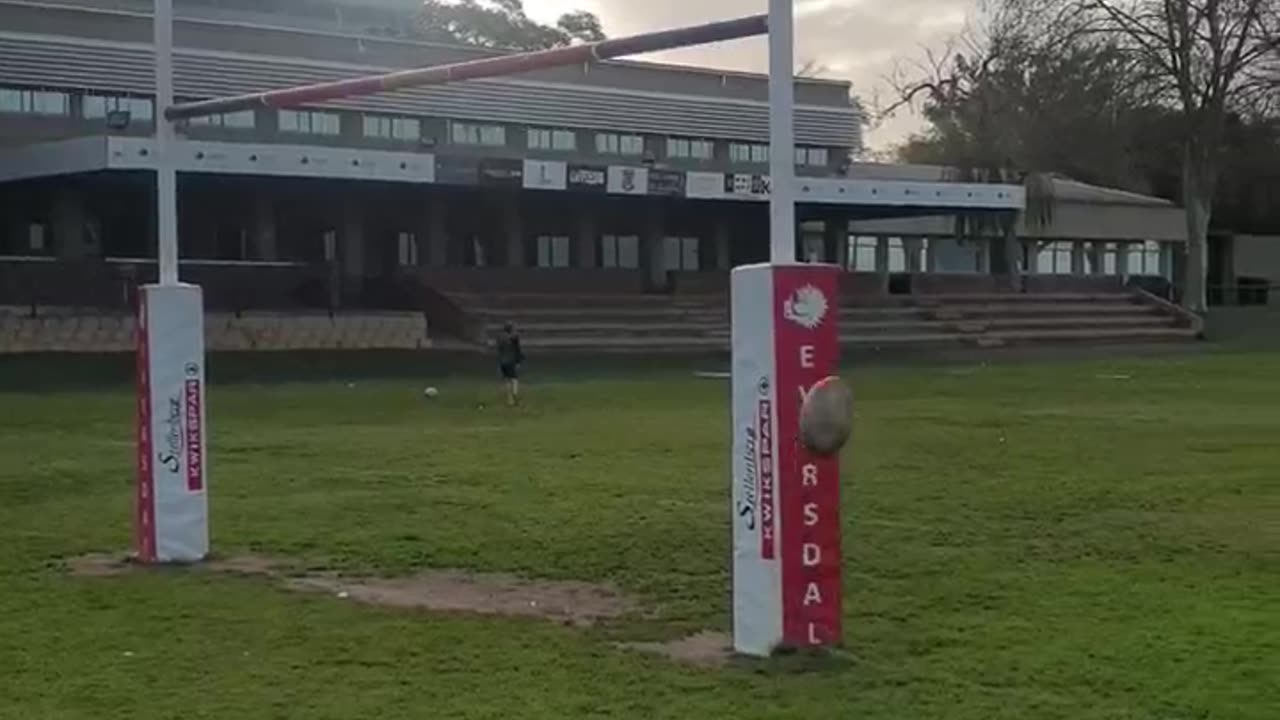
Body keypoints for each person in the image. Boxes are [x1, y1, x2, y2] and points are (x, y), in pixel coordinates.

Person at [496, 322, 525, 407]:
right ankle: (514, 397)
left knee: (507, 380)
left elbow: (499, 349)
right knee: (514, 379)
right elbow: (517, 350)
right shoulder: (514, 337)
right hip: (510, 361)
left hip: (502, 361)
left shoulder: (500, 338)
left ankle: (510, 399)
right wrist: (519, 360)